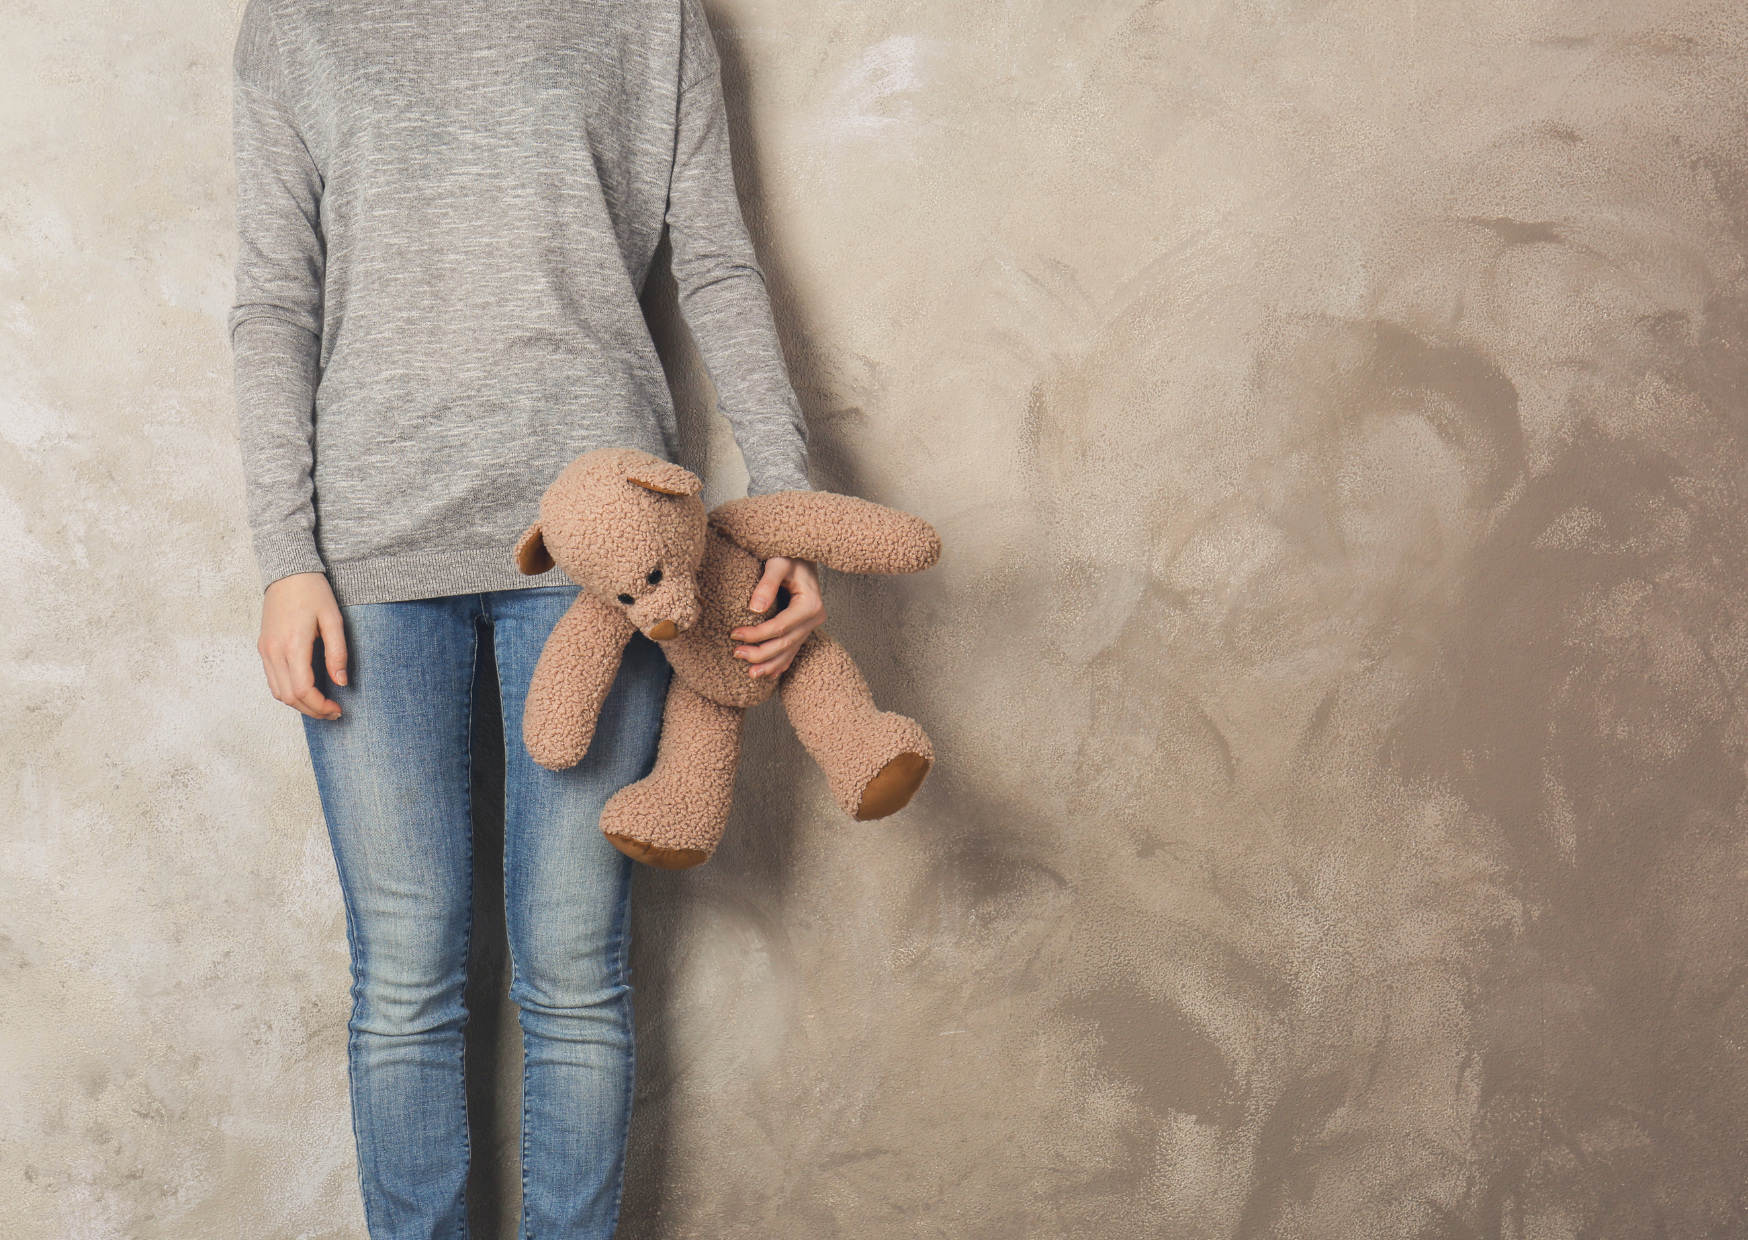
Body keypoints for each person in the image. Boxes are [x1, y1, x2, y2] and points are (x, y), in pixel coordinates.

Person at [227, 0, 826, 1235]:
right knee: (405, 978)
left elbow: (715, 263)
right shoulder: (296, 19)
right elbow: (275, 299)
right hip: (373, 555)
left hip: (603, 554)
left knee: (573, 969)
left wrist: (790, 504)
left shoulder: (648, 16)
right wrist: (286, 558)